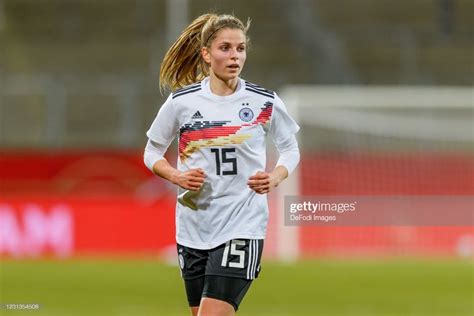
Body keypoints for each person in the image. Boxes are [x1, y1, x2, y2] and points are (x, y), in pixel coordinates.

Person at [143, 13, 300, 316]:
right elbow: (152, 152)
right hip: (193, 227)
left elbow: (290, 148)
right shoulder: (181, 102)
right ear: (206, 53)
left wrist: (276, 176)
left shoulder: (263, 101)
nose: (234, 57)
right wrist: (176, 175)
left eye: (240, 49)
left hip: (243, 224)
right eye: (225, 48)